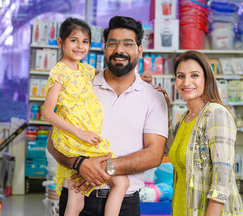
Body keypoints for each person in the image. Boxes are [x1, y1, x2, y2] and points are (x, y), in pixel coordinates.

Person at [47, 15, 169, 216]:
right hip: (77, 197)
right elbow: (53, 143)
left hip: (125, 203)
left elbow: (154, 155)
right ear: (104, 49)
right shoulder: (81, 85)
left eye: (128, 44)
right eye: (112, 44)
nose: (119, 50)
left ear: (139, 50)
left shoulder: (153, 97)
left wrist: (102, 168)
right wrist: (79, 164)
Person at [42, 17, 130, 216]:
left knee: (77, 195)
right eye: (74, 40)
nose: (80, 46)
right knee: (120, 182)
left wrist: (141, 81)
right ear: (60, 42)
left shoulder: (86, 70)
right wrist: (80, 133)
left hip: (86, 139)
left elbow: (112, 75)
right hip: (76, 140)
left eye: (85, 41)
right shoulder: (59, 73)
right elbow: (47, 112)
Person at [168, 50, 243, 216]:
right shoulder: (184, 119)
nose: (186, 82)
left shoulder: (216, 113)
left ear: (207, 79)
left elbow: (223, 177)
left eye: (194, 75)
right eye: (180, 76)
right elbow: (166, 149)